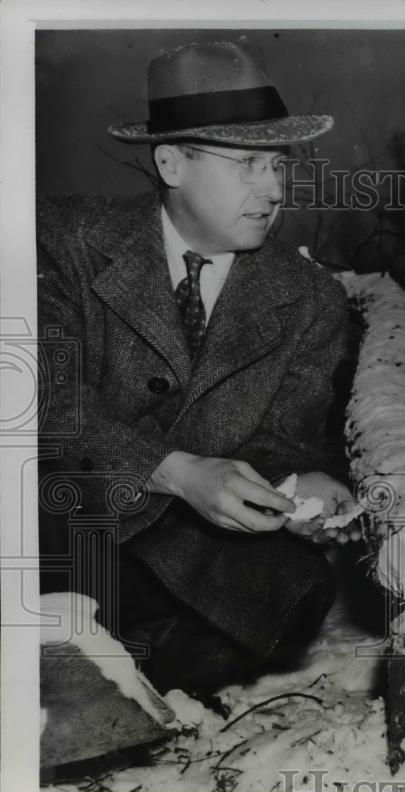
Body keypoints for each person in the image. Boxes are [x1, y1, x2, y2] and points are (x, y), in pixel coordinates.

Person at [37, 41, 357, 700]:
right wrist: (176, 470)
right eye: (247, 163)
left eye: (278, 164)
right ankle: (94, 660)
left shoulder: (312, 297)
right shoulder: (63, 240)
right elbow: (41, 398)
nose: (274, 188)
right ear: (171, 162)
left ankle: (94, 663)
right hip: (65, 518)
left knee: (296, 586)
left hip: (188, 548)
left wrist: (298, 488)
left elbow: (281, 442)